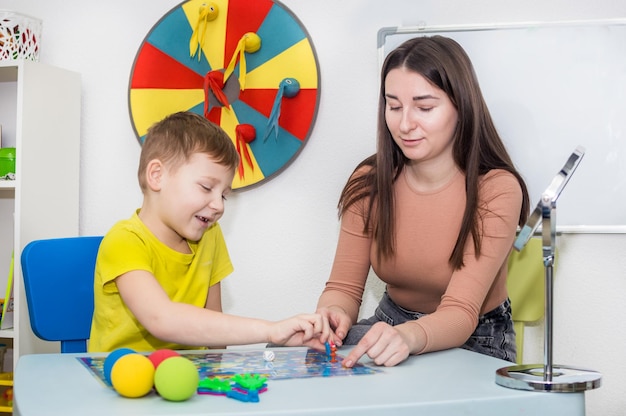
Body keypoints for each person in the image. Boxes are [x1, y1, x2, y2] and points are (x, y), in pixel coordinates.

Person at [315, 35, 530, 368]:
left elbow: (460, 313)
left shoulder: (497, 188)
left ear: (461, 106)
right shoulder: (369, 181)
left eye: (424, 107)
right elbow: (343, 288)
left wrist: (408, 337)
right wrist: (332, 315)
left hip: (476, 338)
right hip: (390, 324)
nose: (404, 124)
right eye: (394, 106)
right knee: (295, 355)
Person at [89, 111, 329, 352]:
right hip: (122, 377)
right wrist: (271, 330)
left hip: (189, 379)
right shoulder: (124, 240)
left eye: (224, 194)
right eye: (206, 187)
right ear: (157, 175)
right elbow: (161, 319)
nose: (219, 205)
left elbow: (214, 329)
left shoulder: (210, 234)